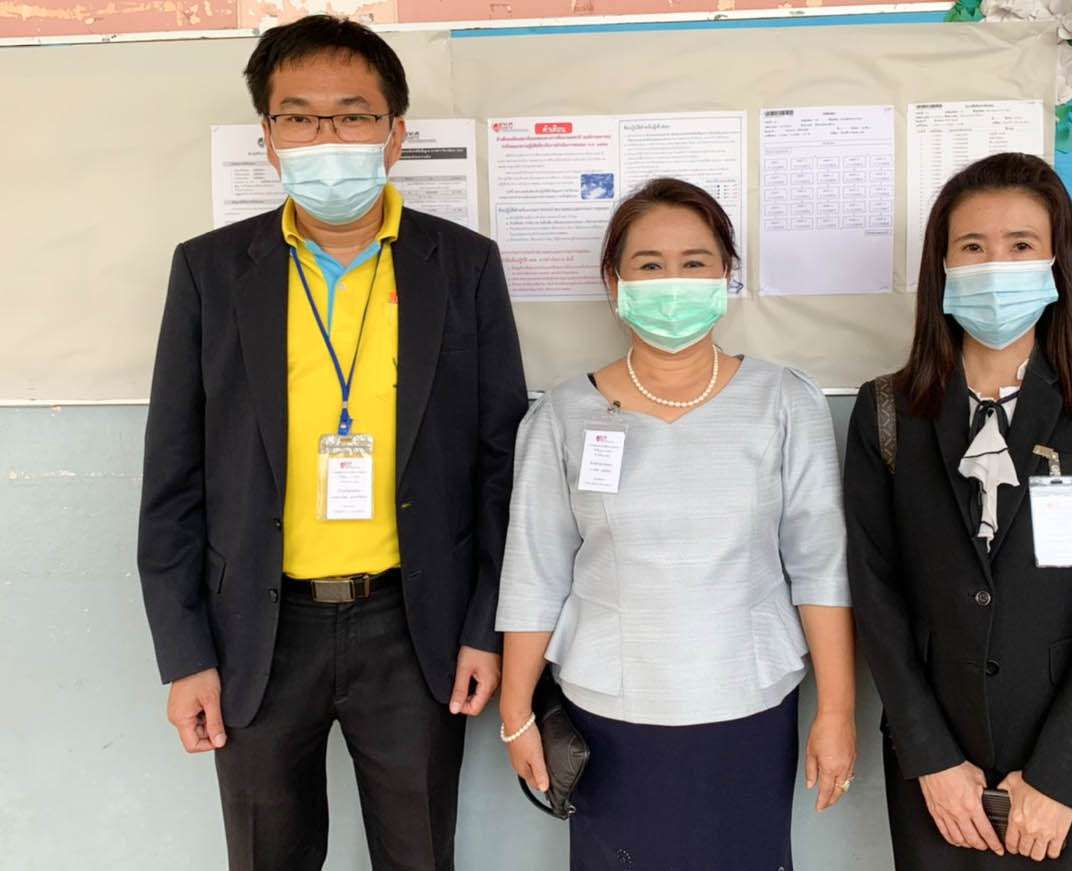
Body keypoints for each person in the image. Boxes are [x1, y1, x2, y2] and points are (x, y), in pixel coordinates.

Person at [137, 15, 526, 870]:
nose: (327, 138)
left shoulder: (462, 266)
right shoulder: (210, 270)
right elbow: (172, 478)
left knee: (420, 853)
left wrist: (485, 628)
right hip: (257, 631)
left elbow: (501, 466)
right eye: (299, 117)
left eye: (352, 116)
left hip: (414, 625)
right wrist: (186, 655)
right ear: (268, 138)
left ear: (395, 134)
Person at [495, 177, 857, 870]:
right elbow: (534, 571)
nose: (673, 283)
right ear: (614, 282)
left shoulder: (784, 401)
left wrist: (836, 711)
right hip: (609, 714)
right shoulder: (563, 415)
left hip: (748, 708)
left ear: (726, 275)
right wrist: (516, 712)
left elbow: (820, 568)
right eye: (650, 265)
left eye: (694, 263)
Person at [845, 152, 1072, 869]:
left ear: (1057, 264)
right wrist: (930, 757)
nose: (995, 264)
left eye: (1020, 245)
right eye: (972, 246)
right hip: (941, 781)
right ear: (942, 267)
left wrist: (1060, 776)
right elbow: (875, 596)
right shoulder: (886, 412)